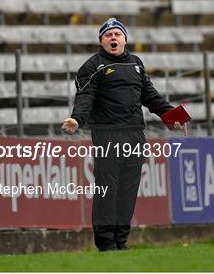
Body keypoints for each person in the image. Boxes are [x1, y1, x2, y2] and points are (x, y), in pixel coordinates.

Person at [61, 17, 187, 251]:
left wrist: (173, 115)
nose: (113, 38)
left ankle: (121, 240)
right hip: (107, 134)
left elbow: (151, 96)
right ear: (101, 41)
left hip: (135, 135)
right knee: (108, 189)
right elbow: (85, 97)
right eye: (108, 35)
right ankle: (106, 242)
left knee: (128, 190)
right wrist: (76, 119)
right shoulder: (93, 66)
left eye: (117, 34)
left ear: (125, 39)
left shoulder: (136, 64)